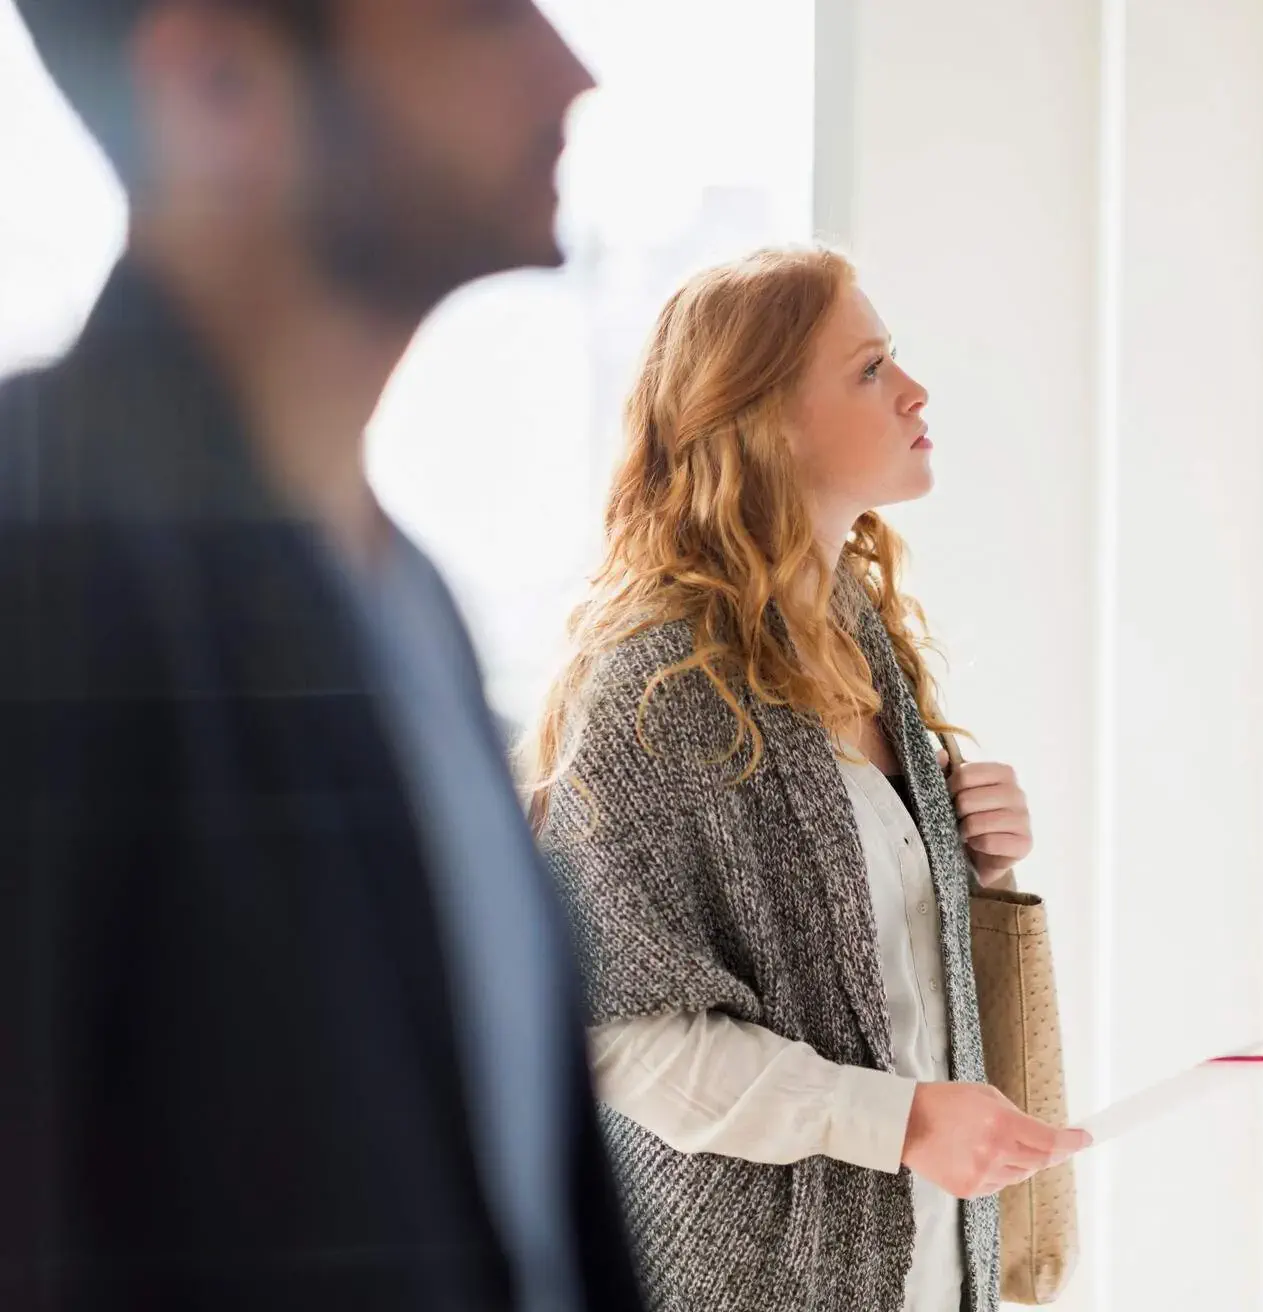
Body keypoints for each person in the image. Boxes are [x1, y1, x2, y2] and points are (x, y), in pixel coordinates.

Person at [0, 3, 641, 1309]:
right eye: (480, 16)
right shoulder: (36, 560)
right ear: (220, 84)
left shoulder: (411, 612)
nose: (571, 71)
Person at [526, 246, 1089, 1312]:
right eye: (871, 369)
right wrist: (901, 1121)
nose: (915, 391)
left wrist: (976, 859)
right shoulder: (660, 687)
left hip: (916, 1272)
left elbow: (878, 971)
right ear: (765, 420)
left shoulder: (857, 631)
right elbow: (623, 1035)